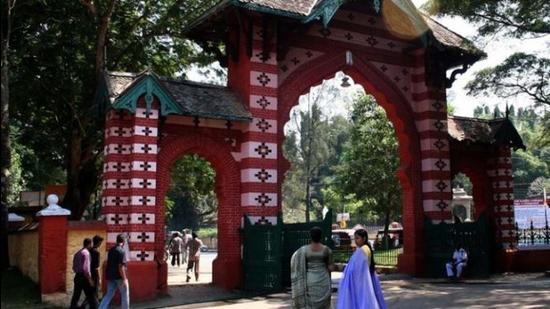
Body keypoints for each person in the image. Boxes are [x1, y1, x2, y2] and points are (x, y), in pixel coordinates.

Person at [338, 229, 386, 309]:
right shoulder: (366, 248)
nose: (355, 241)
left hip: (361, 281)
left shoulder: (363, 250)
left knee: (363, 301)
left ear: (364, 239)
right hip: (363, 280)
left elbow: (357, 268)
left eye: (357, 238)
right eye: (355, 238)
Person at [290, 226, 333, 309]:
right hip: (323, 280)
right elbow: (330, 267)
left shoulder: (303, 250)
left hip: (310, 280)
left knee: (310, 303)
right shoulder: (327, 250)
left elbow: (297, 263)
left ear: (310, 236)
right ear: (321, 236)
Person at [99, 234, 129, 309]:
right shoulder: (121, 251)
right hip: (119, 277)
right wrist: (125, 279)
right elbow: (121, 266)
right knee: (125, 295)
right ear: (124, 241)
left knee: (109, 294)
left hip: (110, 276)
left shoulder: (111, 250)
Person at [70, 237, 96, 309]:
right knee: (90, 296)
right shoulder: (87, 253)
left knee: (76, 295)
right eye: (91, 244)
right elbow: (86, 269)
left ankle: (72, 307)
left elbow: (74, 267)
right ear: (89, 244)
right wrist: (90, 280)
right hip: (84, 278)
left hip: (77, 276)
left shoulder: (78, 253)